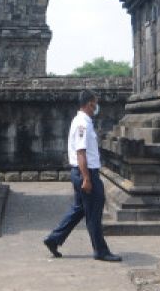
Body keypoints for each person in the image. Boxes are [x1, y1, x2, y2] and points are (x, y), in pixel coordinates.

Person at [43, 89, 122, 262]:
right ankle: (100, 250)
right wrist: (86, 178)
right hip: (86, 172)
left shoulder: (83, 121)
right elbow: (81, 153)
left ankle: (54, 239)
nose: (97, 107)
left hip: (83, 172)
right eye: (95, 103)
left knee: (79, 209)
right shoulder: (82, 124)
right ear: (89, 104)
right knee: (94, 211)